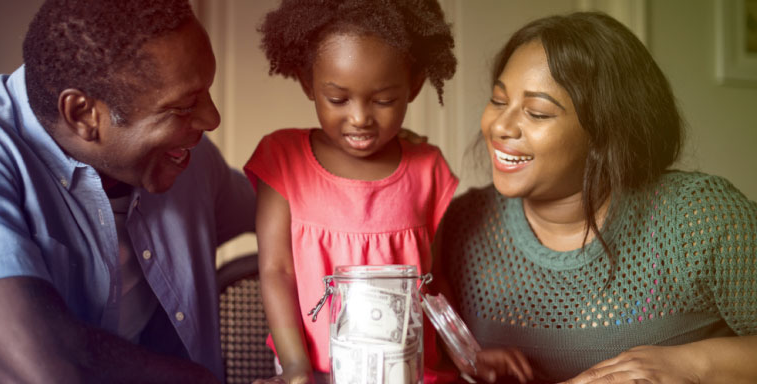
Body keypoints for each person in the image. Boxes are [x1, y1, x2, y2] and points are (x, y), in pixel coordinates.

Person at [434, 11, 757, 384]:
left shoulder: (698, 217)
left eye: (537, 113)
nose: (501, 126)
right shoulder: (463, 226)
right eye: (498, 100)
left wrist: (694, 365)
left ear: (606, 130)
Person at [0, 0, 255, 382]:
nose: (212, 119)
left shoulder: (189, 160)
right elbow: (44, 365)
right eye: (183, 107)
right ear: (83, 115)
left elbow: (291, 208)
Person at [244, 0, 460, 382]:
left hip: (408, 372)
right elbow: (276, 272)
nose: (360, 118)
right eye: (338, 99)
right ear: (306, 82)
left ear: (415, 84)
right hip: (313, 371)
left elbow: (434, 281)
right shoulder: (282, 160)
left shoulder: (428, 168)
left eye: (383, 100)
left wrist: (464, 356)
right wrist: (295, 366)